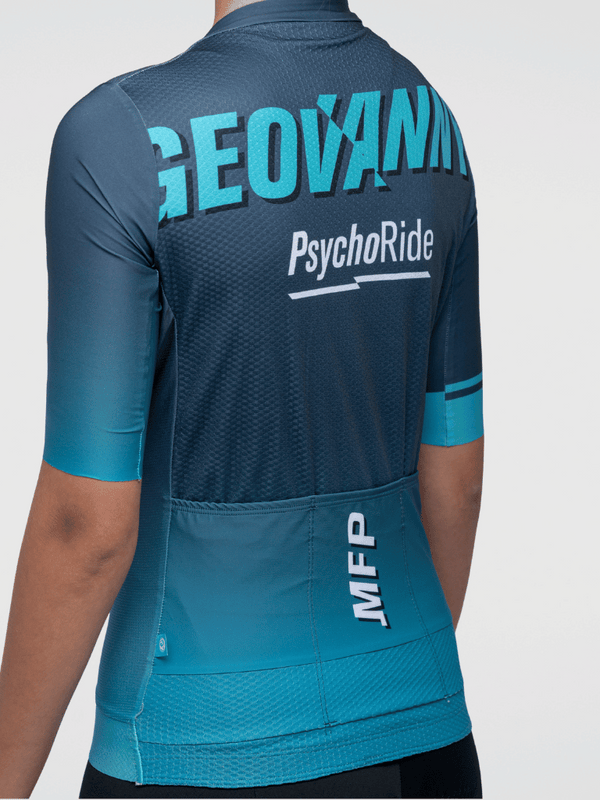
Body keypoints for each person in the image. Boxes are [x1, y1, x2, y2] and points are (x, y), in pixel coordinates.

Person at [0, 0, 485, 797]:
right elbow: (456, 476)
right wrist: (380, 675)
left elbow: (85, 525)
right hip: (421, 738)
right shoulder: (434, 126)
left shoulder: (122, 138)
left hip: (198, 743)